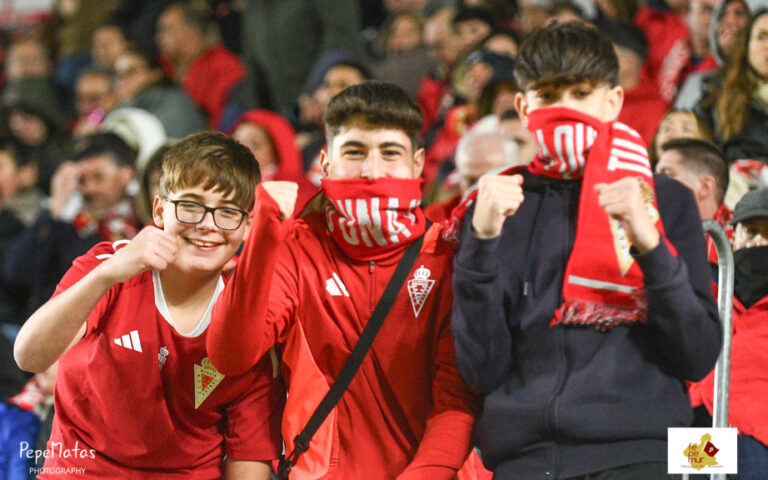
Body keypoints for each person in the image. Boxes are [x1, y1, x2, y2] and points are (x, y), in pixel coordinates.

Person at [450, 21, 722, 479]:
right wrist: (480, 246)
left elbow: (695, 357)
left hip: (641, 453)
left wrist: (650, 244)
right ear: (524, 107)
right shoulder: (498, 206)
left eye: (581, 93)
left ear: (612, 101)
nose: (566, 109)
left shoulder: (665, 200)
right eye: (549, 95)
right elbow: (482, 370)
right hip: (527, 459)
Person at [207, 81, 480, 479]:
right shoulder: (295, 246)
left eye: (390, 153)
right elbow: (231, 355)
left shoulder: (448, 255)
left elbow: (457, 400)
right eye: (354, 152)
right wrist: (262, 240)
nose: (371, 171)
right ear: (326, 162)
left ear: (417, 163)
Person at [13, 131, 283, 478]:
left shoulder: (248, 314)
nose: (207, 225)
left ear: (247, 226)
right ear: (159, 210)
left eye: (228, 212)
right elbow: (29, 356)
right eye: (191, 205)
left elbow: (248, 453)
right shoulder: (108, 266)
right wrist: (105, 275)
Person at [3, 133, 140, 319]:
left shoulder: (143, 219)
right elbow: (16, 274)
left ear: (126, 175)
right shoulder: (65, 227)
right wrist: (54, 210)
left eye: (99, 177)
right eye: (82, 181)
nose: (90, 188)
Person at [688, 187, 768, 479]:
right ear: (733, 239)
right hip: (701, 431)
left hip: (760, 438)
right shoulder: (706, 294)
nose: (760, 242)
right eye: (752, 231)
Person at [655, 138, 732, 263]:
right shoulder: (650, 228)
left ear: (705, 187)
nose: (654, 183)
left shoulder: (739, 242)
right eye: (655, 175)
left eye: (666, 175)